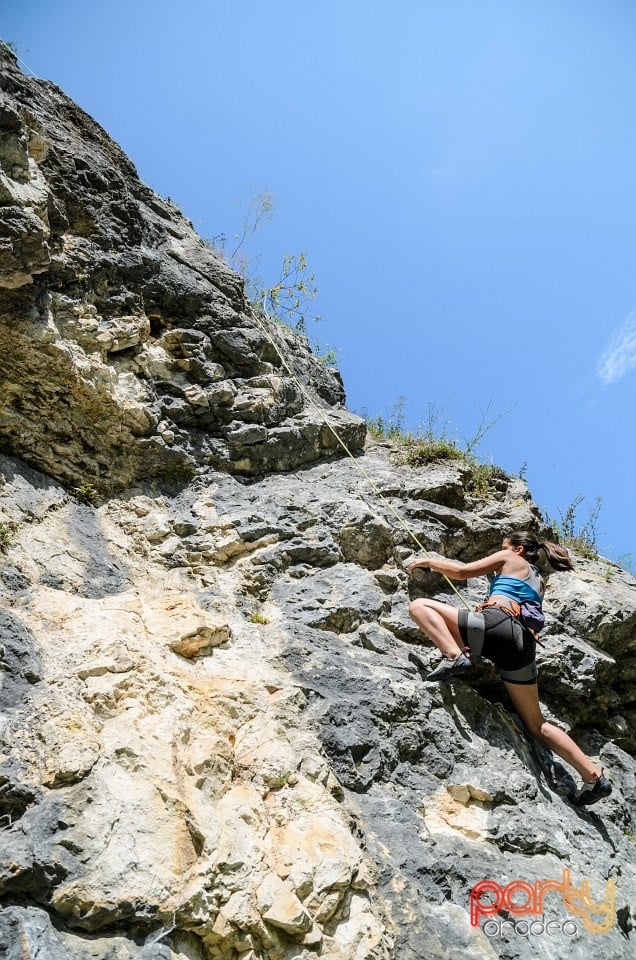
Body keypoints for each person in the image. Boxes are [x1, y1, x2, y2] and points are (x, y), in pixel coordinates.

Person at [406, 531, 612, 807]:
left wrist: (428, 561)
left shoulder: (508, 557)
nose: (501, 550)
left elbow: (461, 572)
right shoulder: (539, 580)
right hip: (522, 646)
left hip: (496, 624)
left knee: (419, 606)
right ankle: (593, 775)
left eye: (504, 546)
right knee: (537, 724)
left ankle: (454, 654)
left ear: (516, 549)